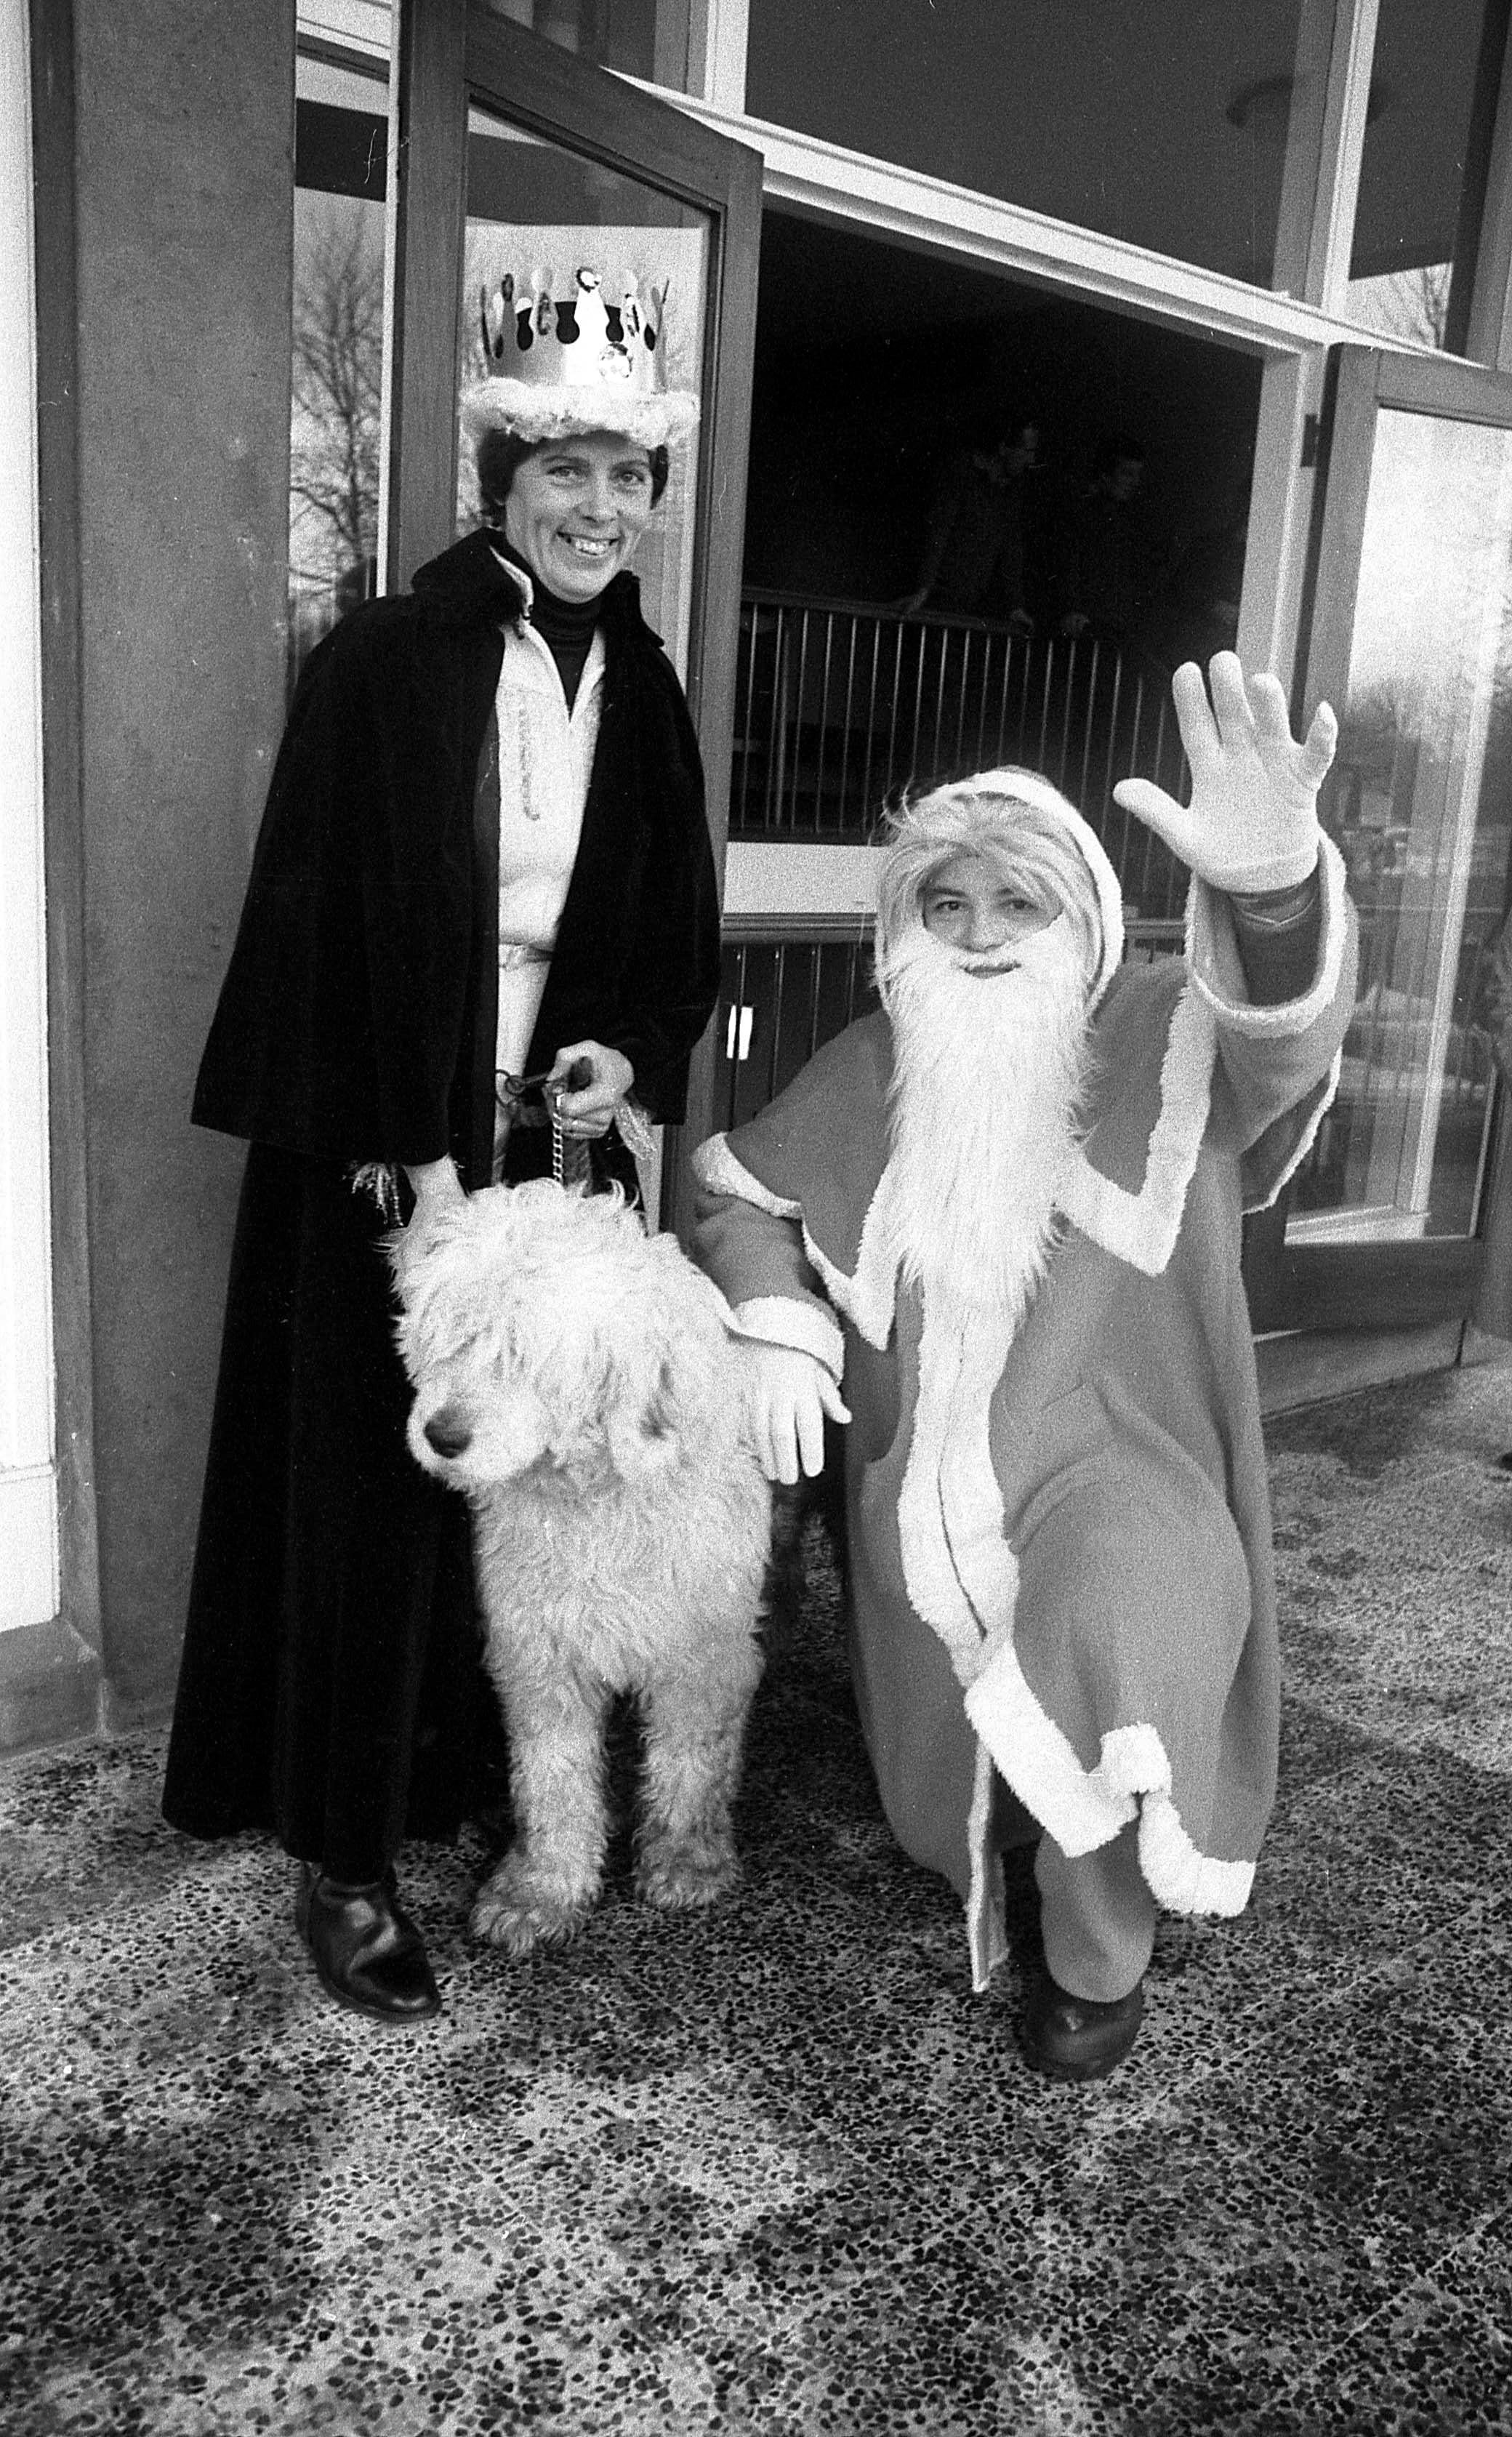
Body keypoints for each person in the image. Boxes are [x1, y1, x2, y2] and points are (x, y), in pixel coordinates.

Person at [162, 265, 720, 2025]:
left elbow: (666, 923)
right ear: (500, 474)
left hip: (545, 1170)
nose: (599, 508)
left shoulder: (646, 676)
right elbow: (310, 921)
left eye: (629, 477)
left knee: (526, 1498)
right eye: (568, 469)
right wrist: (405, 1142)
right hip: (380, 1155)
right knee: (367, 1497)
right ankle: (344, 1851)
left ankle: (467, 1778)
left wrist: (616, 1044)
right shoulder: (388, 660)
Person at [691, 653, 1358, 2081]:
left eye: (1015, 902)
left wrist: (1277, 894)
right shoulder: (876, 1060)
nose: (980, 934)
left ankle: (1095, 1952)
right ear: (904, 926)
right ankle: (1004, 1814)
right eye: (946, 905)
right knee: (981, 1681)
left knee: (1114, 1606)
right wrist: (779, 1316)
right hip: (921, 1487)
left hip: (1123, 1458)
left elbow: (1282, 1037)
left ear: (1082, 916)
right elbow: (739, 1192)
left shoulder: (1162, 1030)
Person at [896, 417, 1042, 627]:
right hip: (938, 599)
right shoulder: (962, 472)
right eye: (1027, 451)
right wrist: (923, 588)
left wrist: (1015, 606)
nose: (1031, 460)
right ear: (1003, 448)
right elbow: (939, 529)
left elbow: (1011, 549)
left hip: (973, 601)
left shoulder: (1013, 490)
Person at [1049, 430, 1151, 643]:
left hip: (1114, 631)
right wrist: (1070, 609)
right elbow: (1067, 565)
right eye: (1127, 473)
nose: (1134, 482)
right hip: (1082, 630)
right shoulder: (1079, 515)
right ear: (1105, 474)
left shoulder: (1132, 524)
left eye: (1137, 475)